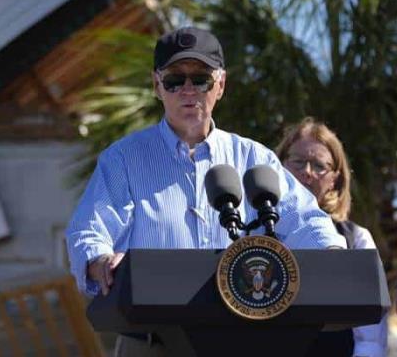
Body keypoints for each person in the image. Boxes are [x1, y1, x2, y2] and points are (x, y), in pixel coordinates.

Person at [66, 26, 345, 356]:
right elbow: (88, 230)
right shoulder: (124, 159)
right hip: (151, 343)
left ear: (220, 85)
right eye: (174, 79)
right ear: (157, 86)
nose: (187, 89)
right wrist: (100, 261)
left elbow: (306, 222)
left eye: (200, 79)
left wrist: (331, 256)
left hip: (242, 339)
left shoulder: (255, 158)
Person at [276, 117, 388, 357]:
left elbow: (370, 334)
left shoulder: (355, 238)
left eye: (318, 165)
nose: (307, 173)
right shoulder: (253, 231)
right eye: (298, 162)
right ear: (279, 165)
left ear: (334, 179)